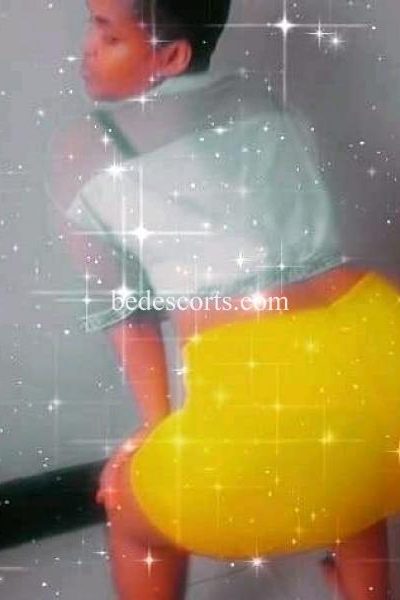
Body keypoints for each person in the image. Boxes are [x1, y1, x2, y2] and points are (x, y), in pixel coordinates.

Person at [64, 0, 396, 598]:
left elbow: (125, 309)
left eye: (108, 35)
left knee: (131, 517)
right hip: (382, 342)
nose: (86, 46)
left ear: (171, 56)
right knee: (347, 442)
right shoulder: (259, 100)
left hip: (269, 396)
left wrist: (155, 430)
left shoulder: (88, 145)